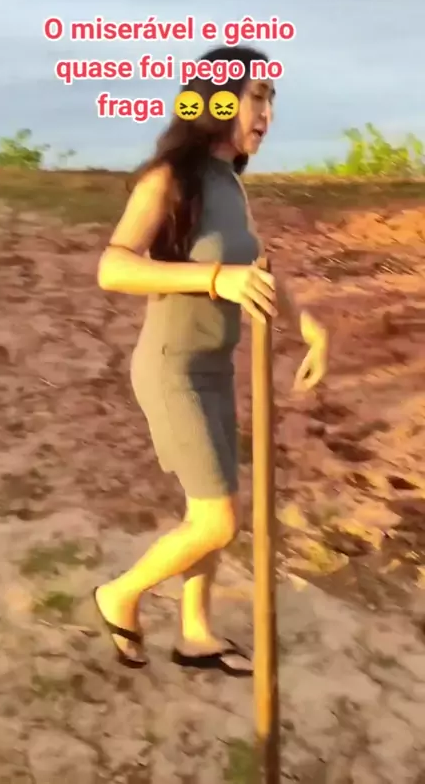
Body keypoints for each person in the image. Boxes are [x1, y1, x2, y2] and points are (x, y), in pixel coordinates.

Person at [94, 44, 328, 675]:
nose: (267, 114)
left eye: (272, 100)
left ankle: (194, 633)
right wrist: (217, 278)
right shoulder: (171, 177)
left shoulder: (228, 184)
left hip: (215, 369)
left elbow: (259, 269)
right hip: (173, 368)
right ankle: (119, 595)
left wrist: (307, 325)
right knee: (218, 521)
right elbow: (113, 267)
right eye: (258, 97)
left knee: (212, 508)